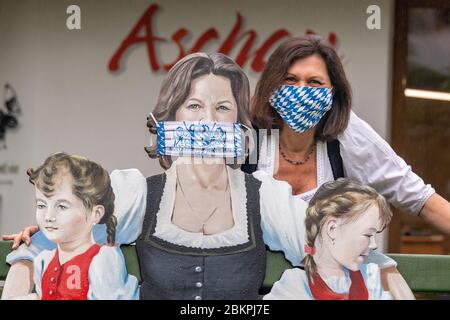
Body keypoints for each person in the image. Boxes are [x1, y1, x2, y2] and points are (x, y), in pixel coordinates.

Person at [2, 52, 397, 300]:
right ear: (169, 118)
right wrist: (24, 264)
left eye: (223, 108)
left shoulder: (265, 198)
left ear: (240, 124)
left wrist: (385, 267)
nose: (207, 119)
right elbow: (69, 229)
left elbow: (327, 242)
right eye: (193, 106)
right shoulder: (138, 192)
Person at [243, 36, 450, 240]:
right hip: (249, 270)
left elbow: (418, 197)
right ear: (272, 85)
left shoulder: (347, 134)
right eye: (290, 79)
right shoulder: (247, 131)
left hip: (321, 271)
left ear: (333, 93)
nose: (301, 90)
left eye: (314, 82)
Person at [7, 152, 139, 300]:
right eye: (41, 205)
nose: (48, 216)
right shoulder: (44, 261)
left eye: (62, 206)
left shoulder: (103, 260)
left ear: (96, 213)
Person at [264, 178, 399, 300]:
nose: (374, 245)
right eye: (368, 235)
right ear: (332, 229)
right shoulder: (295, 286)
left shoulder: (371, 279)